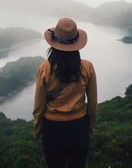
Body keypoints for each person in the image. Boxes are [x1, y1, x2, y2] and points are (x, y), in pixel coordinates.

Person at [33, 18, 98, 168]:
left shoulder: (45, 68)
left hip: (52, 128)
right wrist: (91, 126)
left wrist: (38, 129)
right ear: (76, 44)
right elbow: (93, 104)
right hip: (79, 127)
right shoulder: (87, 67)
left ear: (53, 44)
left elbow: (39, 105)